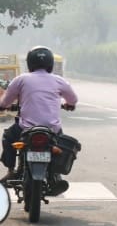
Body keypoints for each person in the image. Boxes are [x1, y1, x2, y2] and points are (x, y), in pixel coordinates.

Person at [0, 46, 78, 194]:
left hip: (25, 129)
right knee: (60, 144)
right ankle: (56, 175)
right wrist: (68, 105)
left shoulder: (21, 79)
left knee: (8, 136)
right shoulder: (59, 81)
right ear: (50, 64)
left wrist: (3, 106)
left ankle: (11, 171)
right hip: (52, 129)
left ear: (29, 63)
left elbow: (5, 101)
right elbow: (73, 99)